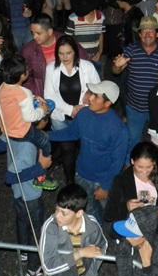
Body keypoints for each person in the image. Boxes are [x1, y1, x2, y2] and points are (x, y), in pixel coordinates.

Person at [48, 80, 127, 221]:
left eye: (96, 96)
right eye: (91, 94)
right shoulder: (84, 113)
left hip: (103, 179)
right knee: (89, 211)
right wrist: (47, 135)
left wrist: (105, 186)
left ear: (107, 103)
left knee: (109, 212)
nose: (89, 98)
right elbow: (71, 133)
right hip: (82, 174)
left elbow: (118, 162)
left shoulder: (118, 129)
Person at [112, 15, 158, 158]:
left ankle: (157, 165)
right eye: (144, 31)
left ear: (157, 34)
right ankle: (128, 164)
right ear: (139, 34)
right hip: (135, 107)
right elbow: (116, 71)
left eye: (151, 30)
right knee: (132, 140)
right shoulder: (131, 50)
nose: (147, 34)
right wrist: (116, 66)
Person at [43, 34, 99, 184]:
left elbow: (98, 90)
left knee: (84, 147)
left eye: (68, 53)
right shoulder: (51, 69)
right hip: (60, 118)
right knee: (67, 149)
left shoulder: (87, 67)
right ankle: (70, 182)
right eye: (61, 53)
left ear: (75, 51)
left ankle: (85, 178)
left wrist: (83, 107)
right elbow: (49, 95)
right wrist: (70, 110)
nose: (65, 57)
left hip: (84, 116)